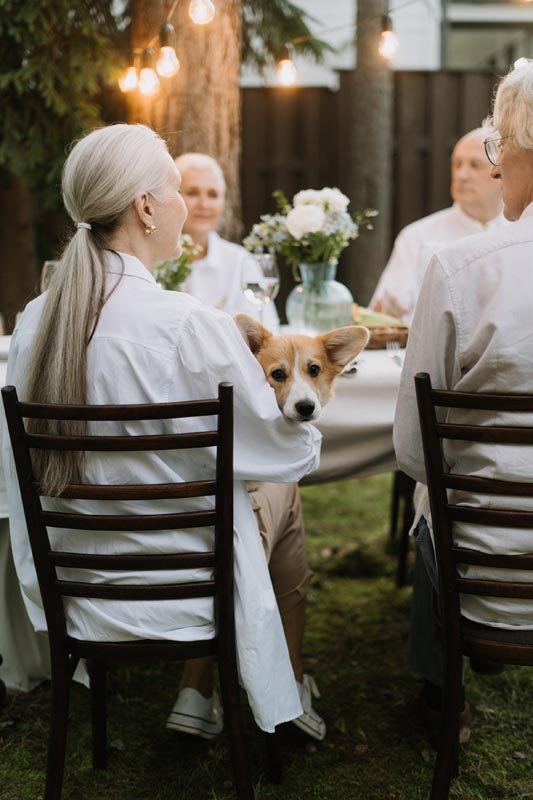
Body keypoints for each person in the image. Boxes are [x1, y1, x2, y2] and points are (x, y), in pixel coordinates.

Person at [1, 123, 324, 739]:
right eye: (176, 190)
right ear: (145, 207)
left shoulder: (35, 322)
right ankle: (283, 679)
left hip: (74, 594)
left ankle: (235, 689)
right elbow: (284, 449)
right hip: (186, 594)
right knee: (282, 491)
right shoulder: (188, 325)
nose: (183, 206)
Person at [393, 60, 533, 740]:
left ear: (517, 149)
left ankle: (440, 701)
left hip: (482, 577)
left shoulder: (458, 269)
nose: (491, 160)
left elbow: (413, 452)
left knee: (430, 505)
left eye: (492, 143)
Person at [370, 128, 506, 323]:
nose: (462, 175)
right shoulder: (416, 237)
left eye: (475, 165)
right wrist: (386, 310)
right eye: (457, 164)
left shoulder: (521, 234)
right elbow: (383, 311)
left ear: (501, 172)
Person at [174, 152, 280, 330]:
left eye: (213, 195)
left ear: (223, 203)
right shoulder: (153, 259)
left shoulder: (241, 261)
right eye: (192, 193)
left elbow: (267, 330)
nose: (204, 204)